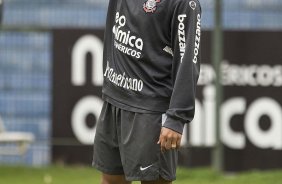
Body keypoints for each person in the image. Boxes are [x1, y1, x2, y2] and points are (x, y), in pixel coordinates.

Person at [93, 0, 201, 183]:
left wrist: (177, 117)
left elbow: (188, 59)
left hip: (151, 111)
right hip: (114, 100)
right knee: (111, 180)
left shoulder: (184, 4)